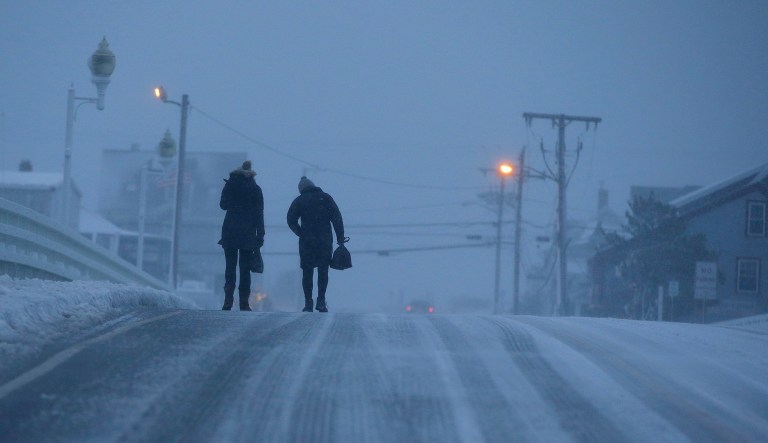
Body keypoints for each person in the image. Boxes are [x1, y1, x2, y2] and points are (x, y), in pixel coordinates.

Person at [287, 176, 345, 312]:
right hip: (324, 240)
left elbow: (290, 220)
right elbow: (337, 218)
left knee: (307, 272)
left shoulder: (299, 200)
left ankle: (308, 302)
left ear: (301, 189)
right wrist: (340, 238)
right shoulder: (325, 198)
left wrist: (301, 233)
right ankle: (321, 301)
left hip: (307, 242)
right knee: (323, 271)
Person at [218, 160, 265, 311]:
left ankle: (228, 301)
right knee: (245, 269)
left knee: (230, 268)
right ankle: (244, 303)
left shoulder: (230, 185)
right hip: (248, 233)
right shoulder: (256, 189)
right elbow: (259, 214)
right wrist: (260, 235)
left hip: (230, 231)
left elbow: (223, 205)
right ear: (251, 175)